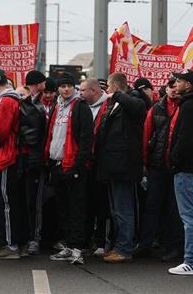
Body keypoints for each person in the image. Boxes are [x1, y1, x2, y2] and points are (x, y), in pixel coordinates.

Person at [94, 73, 146, 264]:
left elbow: (141, 106)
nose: (107, 89)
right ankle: (118, 245)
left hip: (125, 165)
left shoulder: (134, 99)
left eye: (109, 86)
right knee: (116, 209)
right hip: (112, 165)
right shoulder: (114, 104)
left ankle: (125, 248)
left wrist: (117, 95)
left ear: (116, 86)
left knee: (124, 209)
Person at [44, 73, 93, 265]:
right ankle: (67, 245)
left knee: (76, 209)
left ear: (74, 88)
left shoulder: (80, 107)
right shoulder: (58, 107)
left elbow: (87, 139)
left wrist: (77, 166)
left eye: (69, 86)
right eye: (62, 86)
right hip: (57, 165)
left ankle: (77, 248)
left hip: (73, 167)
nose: (66, 89)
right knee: (62, 209)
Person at [166, 69, 193, 275]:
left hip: (187, 168)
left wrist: (174, 160)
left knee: (190, 216)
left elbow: (185, 139)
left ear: (189, 85)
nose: (175, 84)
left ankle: (192, 261)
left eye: (180, 81)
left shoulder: (189, 106)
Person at [138, 76, 182, 261]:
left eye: (176, 87)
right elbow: (146, 133)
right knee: (152, 206)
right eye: (170, 87)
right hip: (157, 165)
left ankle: (171, 246)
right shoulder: (156, 107)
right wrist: (144, 162)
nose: (173, 90)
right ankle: (146, 244)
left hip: (175, 166)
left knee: (174, 209)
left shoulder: (184, 107)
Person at [0, 69, 25, 259]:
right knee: (15, 202)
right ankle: (17, 242)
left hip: (8, 155)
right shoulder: (16, 98)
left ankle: (11, 246)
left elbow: (1, 132)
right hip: (17, 154)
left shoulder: (4, 100)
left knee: (7, 202)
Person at [79, 77, 110, 255]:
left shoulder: (108, 105)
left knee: (102, 204)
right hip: (86, 161)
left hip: (102, 162)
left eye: (83, 90)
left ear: (94, 91)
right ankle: (85, 239)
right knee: (86, 203)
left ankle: (101, 241)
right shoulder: (82, 106)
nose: (80, 93)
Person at [19, 70, 49, 255]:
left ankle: (32, 238)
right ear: (38, 84)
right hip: (33, 158)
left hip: (27, 158)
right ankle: (33, 238)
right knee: (33, 202)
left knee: (32, 202)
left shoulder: (35, 104)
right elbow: (32, 135)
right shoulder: (32, 105)